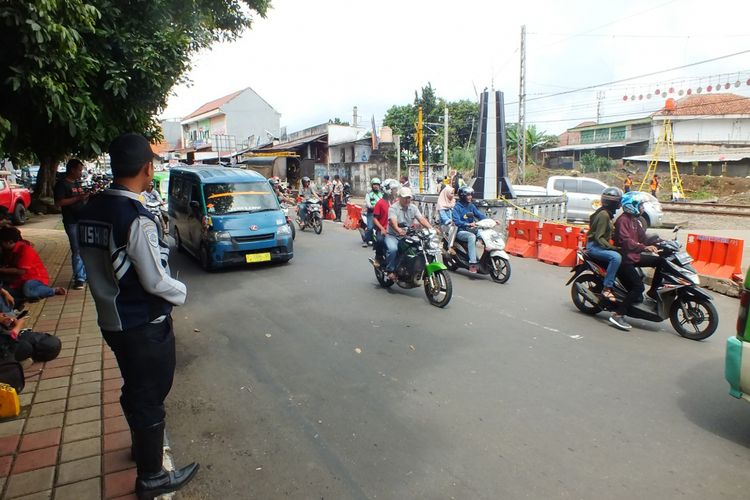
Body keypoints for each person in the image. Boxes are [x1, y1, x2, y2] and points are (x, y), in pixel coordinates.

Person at [77, 133, 198, 499]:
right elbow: (155, 279)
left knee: (135, 388)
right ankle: (152, 477)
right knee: (150, 394)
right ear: (147, 168)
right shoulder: (134, 216)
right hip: (142, 324)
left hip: (112, 320)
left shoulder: (91, 208)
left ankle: (142, 448)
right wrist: (183, 293)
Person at [612, 191, 664, 331]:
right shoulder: (623, 221)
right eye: (640, 205)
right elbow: (626, 242)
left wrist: (661, 243)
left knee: (661, 262)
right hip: (624, 260)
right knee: (638, 287)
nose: (642, 208)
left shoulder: (635, 221)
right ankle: (618, 314)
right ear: (631, 206)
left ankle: (653, 292)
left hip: (633, 257)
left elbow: (644, 237)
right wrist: (645, 248)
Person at [0, 227, 66, 303]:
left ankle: (53, 291)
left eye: (1, 242)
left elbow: (21, 271)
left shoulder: (25, 249)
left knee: (28, 290)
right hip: (17, 281)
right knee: (5, 291)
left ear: (9, 242)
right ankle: (25, 297)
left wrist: (2, 270)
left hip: (34, 279)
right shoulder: (7, 250)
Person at [384, 187, 433, 281]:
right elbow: (393, 222)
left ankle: (414, 268)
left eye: (409, 198)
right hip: (393, 235)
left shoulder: (413, 207)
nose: (407, 200)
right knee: (393, 249)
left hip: (408, 235)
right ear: (399, 197)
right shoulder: (393, 208)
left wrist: (431, 228)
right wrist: (398, 229)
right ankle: (390, 270)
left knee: (420, 248)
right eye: (405, 197)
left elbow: (421, 219)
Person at [54, 158, 88, 290]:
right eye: (79, 170)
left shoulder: (77, 184)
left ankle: (84, 275)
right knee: (77, 250)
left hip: (82, 219)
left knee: (84, 248)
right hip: (71, 221)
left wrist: (85, 197)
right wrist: (77, 198)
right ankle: (79, 278)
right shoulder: (62, 185)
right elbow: (59, 203)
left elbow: (80, 199)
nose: (81, 172)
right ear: (72, 169)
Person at [586, 188, 623, 303]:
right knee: (616, 257)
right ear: (613, 203)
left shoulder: (607, 213)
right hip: (594, 246)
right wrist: (613, 248)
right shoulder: (604, 215)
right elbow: (599, 237)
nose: (620, 204)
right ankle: (607, 288)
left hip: (599, 245)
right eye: (618, 202)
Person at [452, 186, 486, 273]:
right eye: (468, 195)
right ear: (462, 196)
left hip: (472, 229)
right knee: (472, 237)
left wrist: (491, 220)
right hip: (461, 231)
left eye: (471, 195)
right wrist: (467, 224)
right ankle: (473, 263)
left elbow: (479, 215)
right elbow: (457, 221)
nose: (470, 197)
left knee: (484, 234)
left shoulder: (471, 206)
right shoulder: (457, 207)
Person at [371, 180, 397, 263]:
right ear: (387, 189)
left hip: (394, 229)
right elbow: (375, 219)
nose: (395, 191)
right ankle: (378, 257)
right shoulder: (380, 203)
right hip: (383, 229)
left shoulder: (396, 203)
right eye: (393, 189)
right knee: (380, 240)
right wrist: (382, 228)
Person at [362, 178, 383, 247]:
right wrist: (372, 206)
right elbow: (368, 204)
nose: (376, 186)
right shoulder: (369, 194)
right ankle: (365, 240)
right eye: (374, 184)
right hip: (371, 213)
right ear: (372, 185)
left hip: (380, 213)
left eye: (377, 184)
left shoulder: (382, 194)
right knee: (370, 227)